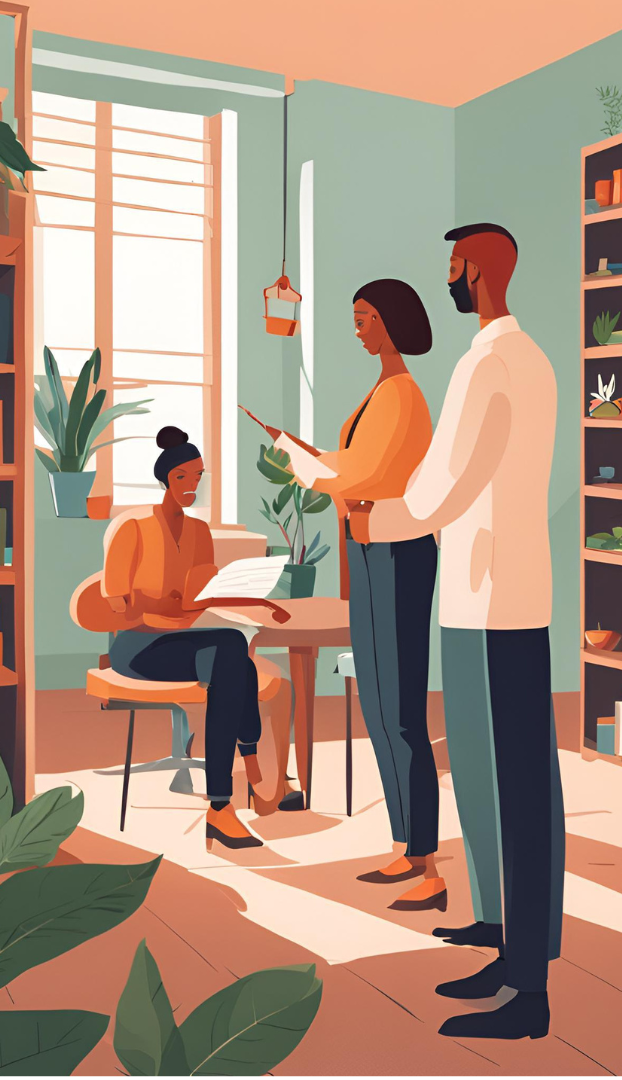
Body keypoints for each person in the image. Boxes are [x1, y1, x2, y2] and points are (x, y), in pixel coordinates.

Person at [348, 225, 565, 1040]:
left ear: (478, 271)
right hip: (479, 595)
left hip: (498, 601)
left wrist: (378, 519)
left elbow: (445, 483)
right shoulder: (510, 359)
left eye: (452, 267)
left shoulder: (496, 363)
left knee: (517, 786)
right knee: (482, 772)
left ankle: (530, 988)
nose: (447, 278)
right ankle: (501, 933)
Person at [272, 279, 442, 909]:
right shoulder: (381, 390)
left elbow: (371, 472)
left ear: (393, 322)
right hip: (366, 548)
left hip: (396, 552)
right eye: (356, 317)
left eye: (366, 317)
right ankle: (406, 845)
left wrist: (316, 467)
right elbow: (353, 464)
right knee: (377, 700)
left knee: (399, 707)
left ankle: (422, 851)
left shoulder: (404, 395)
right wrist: (316, 461)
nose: (359, 328)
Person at [101, 425, 293, 851]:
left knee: (233, 652)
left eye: (198, 477)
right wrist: (170, 616)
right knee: (231, 652)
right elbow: (117, 609)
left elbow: (200, 599)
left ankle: (226, 801)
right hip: (136, 647)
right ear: (166, 479)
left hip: (182, 639)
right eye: (183, 477)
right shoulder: (131, 529)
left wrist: (251, 603)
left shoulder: (200, 533)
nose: (191, 486)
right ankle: (249, 778)